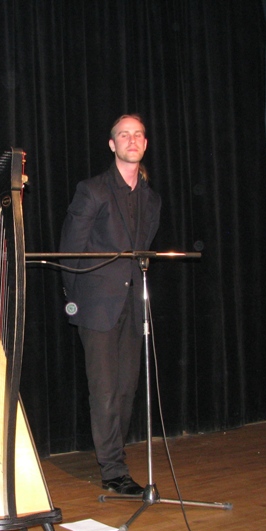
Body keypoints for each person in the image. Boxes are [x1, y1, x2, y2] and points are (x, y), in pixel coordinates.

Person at [59, 114, 162, 496]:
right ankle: (113, 471)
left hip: (133, 305)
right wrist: (76, 302)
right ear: (112, 144)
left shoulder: (151, 199)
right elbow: (69, 250)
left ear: (145, 144)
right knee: (104, 391)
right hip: (96, 304)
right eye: (124, 135)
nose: (132, 140)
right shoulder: (93, 190)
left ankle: (116, 458)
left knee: (126, 390)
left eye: (138, 135)